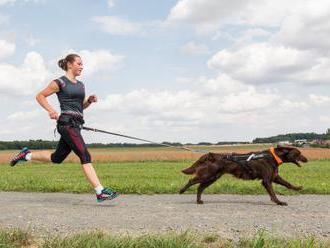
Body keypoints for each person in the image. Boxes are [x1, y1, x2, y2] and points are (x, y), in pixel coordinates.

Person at [10, 53, 119, 203]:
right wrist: (51, 110)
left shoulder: (81, 85)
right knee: (84, 155)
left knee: (57, 158)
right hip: (66, 124)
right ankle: (100, 191)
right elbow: (40, 96)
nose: (82, 66)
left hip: (77, 124)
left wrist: (89, 101)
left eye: (82, 64)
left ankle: (26, 155)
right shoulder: (59, 82)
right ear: (69, 64)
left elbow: (80, 107)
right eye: (79, 63)